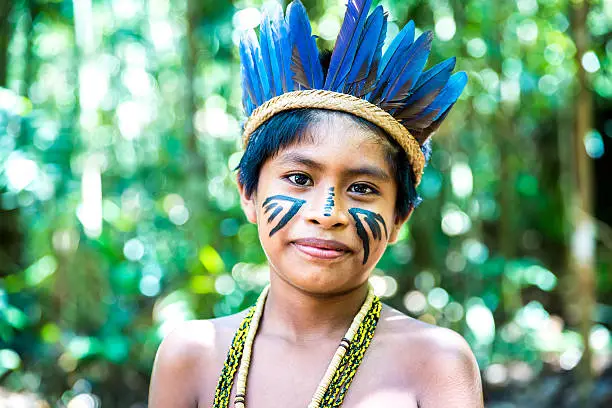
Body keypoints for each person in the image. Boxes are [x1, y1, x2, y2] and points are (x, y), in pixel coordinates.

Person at [149, 0, 483, 407]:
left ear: (400, 218)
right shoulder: (191, 356)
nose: (328, 213)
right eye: (299, 179)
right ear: (248, 193)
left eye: (362, 188)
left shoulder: (437, 363)